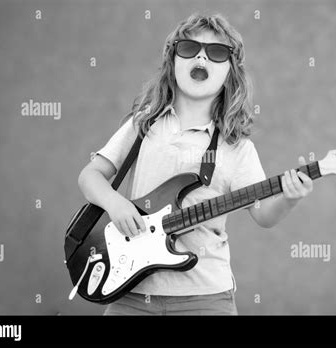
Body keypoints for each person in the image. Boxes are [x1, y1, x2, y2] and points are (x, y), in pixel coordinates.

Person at [77, 12, 313, 315]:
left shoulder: (236, 147)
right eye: (189, 48)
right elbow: (90, 176)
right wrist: (115, 203)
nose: (201, 56)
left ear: (230, 71)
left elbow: (263, 214)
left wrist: (289, 198)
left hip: (205, 298)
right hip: (130, 294)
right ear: (173, 60)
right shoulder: (144, 125)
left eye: (216, 53)